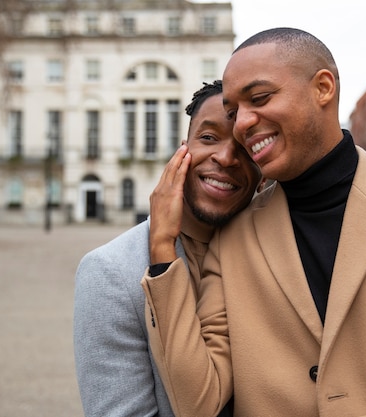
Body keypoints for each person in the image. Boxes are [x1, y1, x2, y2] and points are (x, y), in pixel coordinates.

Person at [142, 28, 366, 416]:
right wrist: (163, 251)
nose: (242, 124)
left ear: (323, 88)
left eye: (260, 98)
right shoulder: (232, 239)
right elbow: (197, 402)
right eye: (234, 111)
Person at [74, 80, 262, 417]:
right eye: (208, 138)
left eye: (244, 147)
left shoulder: (272, 253)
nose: (226, 157)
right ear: (182, 151)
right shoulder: (110, 272)